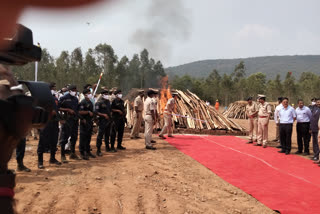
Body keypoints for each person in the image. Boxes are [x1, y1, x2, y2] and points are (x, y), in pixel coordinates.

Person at [37, 83, 61, 169]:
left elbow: (58, 109)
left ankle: (52, 158)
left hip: (54, 122)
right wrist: (50, 112)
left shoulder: (55, 99)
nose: (54, 89)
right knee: (42, 142)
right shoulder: (42, 99)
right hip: (46, 122)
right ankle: (40, 161)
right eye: (52, 88)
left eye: (54, 88)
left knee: (54, 141)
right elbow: (39, 110)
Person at [58, 85, 81, 162]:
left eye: (76, 90)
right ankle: (62, 155)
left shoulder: (75, 99)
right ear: (69, 90)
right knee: (64, 138)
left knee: (74, 137)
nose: (75, 91)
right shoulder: (63, 98)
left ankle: (72, 153)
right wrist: (67, 109)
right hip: (67, 120)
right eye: (73, 90)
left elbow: (77, 109)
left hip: (74, 120)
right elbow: (58, 107)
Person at [78, 89, 95, 160]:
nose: (90, 94)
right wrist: (87, 112)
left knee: (88, 137)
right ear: (85, 94)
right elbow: (80, 112)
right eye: (89, 93)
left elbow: (92, 112)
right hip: (84, 122)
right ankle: (82, 153)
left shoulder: (90, 102)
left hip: (89, 122)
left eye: (90, 93)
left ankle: (88, 151)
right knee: (83, 138)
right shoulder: (83, 102)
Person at [95, 89, 111, 156]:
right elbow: (96, 112)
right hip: (102, 120)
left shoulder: (108, 102)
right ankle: (98, 150)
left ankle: (107, 147)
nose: (107, 95)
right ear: (102, 95)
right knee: (100, 135)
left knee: (107, 134)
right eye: (105, 94)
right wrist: (103, 115)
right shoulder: (99, 102)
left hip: (108, 120)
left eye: (107, 94)